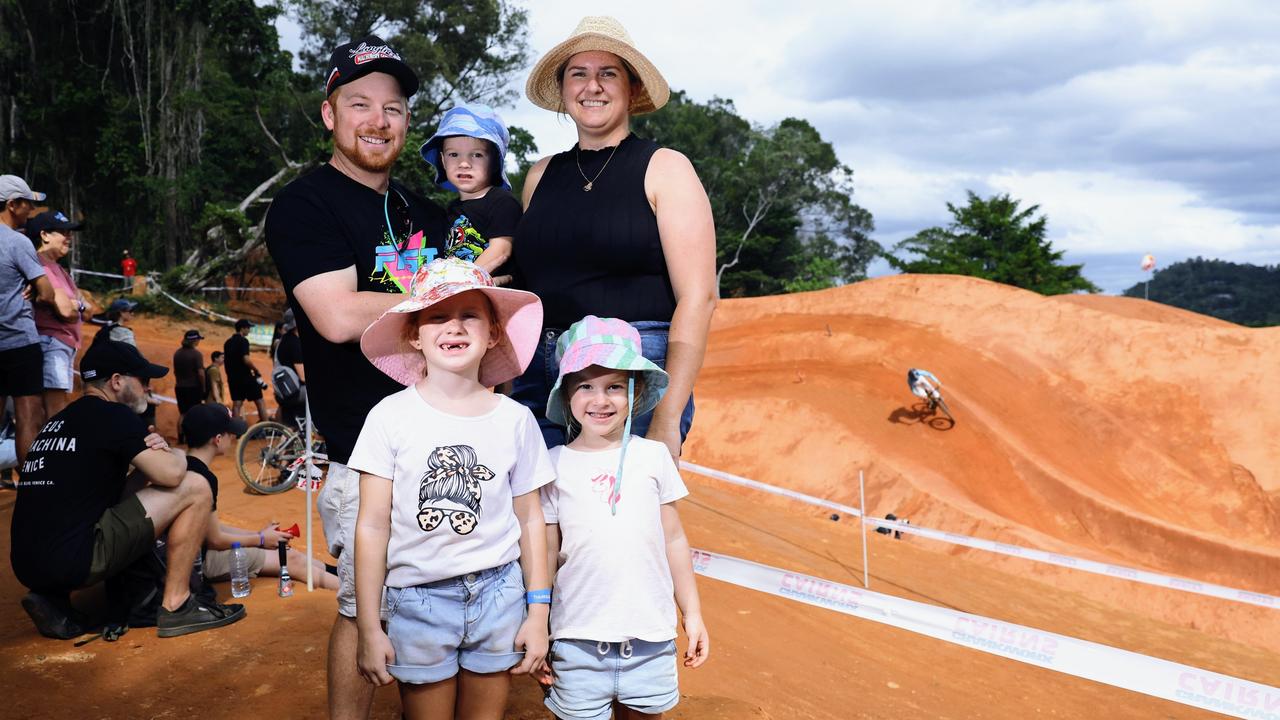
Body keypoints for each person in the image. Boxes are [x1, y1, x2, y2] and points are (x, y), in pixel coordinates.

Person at [263, 35, 449, 720]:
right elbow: (337, 315)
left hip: (447, 440)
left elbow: (491, 274)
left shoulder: (420, 212)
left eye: (394, 108)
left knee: (435, 604)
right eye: (361, 104)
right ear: (329, 114)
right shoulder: (306, 204)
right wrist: (444, 297)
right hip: (366, 453)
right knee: (363, 608)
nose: (379, 120)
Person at [350, 257, 551, 719]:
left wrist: (538, 612)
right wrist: (368, 626)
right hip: (416, 597)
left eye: (469, 315)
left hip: (501, 592)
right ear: (414, 335)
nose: (453, 326)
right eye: (437, 316)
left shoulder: (516, 420)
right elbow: (372, 526)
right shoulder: (388, 417)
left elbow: (531, 519)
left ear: (493, 333)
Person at [512, 16, 717, 459]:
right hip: (540, 373)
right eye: (578, 73)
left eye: (608, 73)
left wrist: (666, 416)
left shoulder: (665, 167)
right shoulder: (539, 175)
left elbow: (698, 297)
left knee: (620, 523)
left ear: (632, 89)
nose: (593, 86)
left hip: (632, 377)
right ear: (565, 91)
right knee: (539, 520)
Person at [9, 340, 245, 639]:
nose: (148, 388)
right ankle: (177, 605)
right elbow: (173, 476)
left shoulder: (59, 421)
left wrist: (150, 469)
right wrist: (171, 451)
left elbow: (112, 495)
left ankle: (52, 598)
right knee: (195, 485)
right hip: (76, 559)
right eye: (143, 380)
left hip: (28, 564)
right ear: (117, 382)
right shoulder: (113, 415)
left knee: (85, 513)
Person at [535, 316, 709, 719]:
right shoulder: (552, 465)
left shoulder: (653, 457)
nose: (601, 399)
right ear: (566, 396)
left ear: (637, 391)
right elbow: (544, 554)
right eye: (586, 387)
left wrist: (694, 614)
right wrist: (537, 623)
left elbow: (674, 539)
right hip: (576, 641)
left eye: (615, 385)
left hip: (651, 642)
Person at [182, 403, 338, 591]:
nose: (233, 437)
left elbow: (210, 528)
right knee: (290, 559)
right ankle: (356, 595)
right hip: (202, 562)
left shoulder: (182, 467)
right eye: (229, 433)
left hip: (195, 554)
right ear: (217, 439)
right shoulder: (203, 478)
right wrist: (261, 540)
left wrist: (260, 536)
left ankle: (338, 573)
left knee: (287, 552)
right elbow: (215, 539)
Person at [420, 104, 520, 276]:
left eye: (477, 155)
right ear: (442, 160)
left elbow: (501, 251)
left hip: (496, 295)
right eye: (453, 154)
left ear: (495, 161)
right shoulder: (451, 209)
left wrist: (462, 281)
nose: (464, 164)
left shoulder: (501, 202)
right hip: (459, 294)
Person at [0, 174, 55, 471]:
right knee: (28, 417)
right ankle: (32, 489)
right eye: (27, 205)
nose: (30, 212)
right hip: (19, 341)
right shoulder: (17, 242)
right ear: (11, 205)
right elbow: (47, 292)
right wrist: (35, 288)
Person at [26, 210, 88, 419]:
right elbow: (66, 310)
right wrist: (76, 305)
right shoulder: (40, 265)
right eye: (62, 231)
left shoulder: (58, 269)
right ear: (44, 235)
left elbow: (82, 308)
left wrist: (76, 305)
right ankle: (53, 451)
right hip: (51, 343)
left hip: (60, 344)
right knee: (55, 411)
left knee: (54, 408)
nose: (68, 237)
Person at [224, 319, 267, 421]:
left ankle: (237, 430)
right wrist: (255, 370)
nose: (249, 330)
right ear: (242, 328)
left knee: (237, 403)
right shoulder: (243, 341)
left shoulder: (228, 342)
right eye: (248, 328)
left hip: (233, 378)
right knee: (259, 401)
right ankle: (267, 427)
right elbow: (246, 359)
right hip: (245, 377)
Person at [274, 308, 306, 428]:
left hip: (283, 390)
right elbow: (303, 377)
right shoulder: (295, 344)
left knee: (291, 427)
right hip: (294, 392)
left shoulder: (284, 340)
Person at [173, 329, 206, 439]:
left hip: (179, 387)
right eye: (198, 339)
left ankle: (181, 437)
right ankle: (194, 436)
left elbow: (175, 371)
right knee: (195, 413)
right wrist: (204, 387)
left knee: (183, 413)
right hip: (193, 387)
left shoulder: (177, 353)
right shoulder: (196, 354)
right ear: (194, 341)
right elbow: (201, 373)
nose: (199, 341)